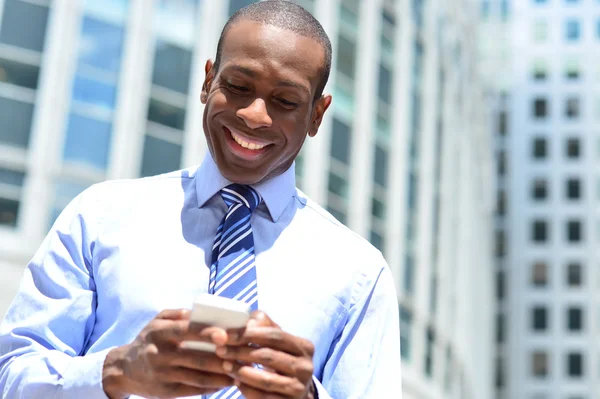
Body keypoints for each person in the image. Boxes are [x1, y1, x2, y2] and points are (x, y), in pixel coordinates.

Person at [0, 1, 402, 398]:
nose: (255, 115)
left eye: (285, 102)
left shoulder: (358, 275)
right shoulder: (101, 216)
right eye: (239, 87)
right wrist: (119, 371)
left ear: (317, 114)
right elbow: (11, 376)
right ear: (208, 81)